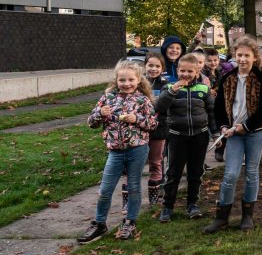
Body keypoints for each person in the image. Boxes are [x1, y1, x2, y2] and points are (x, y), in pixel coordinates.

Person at [78, 60, 158, 243]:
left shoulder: (142, 100)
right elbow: (91, 122)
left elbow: (153, 124)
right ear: (116, 80)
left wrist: (136, 119)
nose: (127, 84)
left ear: (138, 80)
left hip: (137, 149)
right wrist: (100, 114)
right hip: (115, 151)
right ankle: (99, 223)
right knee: (105, 189)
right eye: (122, 80)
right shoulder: (107, 98)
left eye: (131, 79)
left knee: (134, 187)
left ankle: (130, 222)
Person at [205, 35, 262, 234]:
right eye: (239, 55)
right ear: (234, 56)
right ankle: (222, 218)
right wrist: (223, 127)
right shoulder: (228, 77)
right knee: (231, 174)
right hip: (233, 133)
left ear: (254, 57)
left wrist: (247, 126)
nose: (242, 59)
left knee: (251, 173)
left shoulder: (261, 77)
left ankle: (247, 216)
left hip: (256, 132)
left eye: (246, 55)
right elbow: (218, 107)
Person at [155, 54, 217, 223]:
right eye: (182, 70)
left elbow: (211, 112)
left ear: (197, 72)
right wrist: (172, 91)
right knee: (173, 173)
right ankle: (167, 207)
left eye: (190, 71)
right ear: (177, 70)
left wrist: (216, 132)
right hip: (176, 136)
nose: (186, 74)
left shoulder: (203, 90)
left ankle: (192, 205)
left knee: (195, 172)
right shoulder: (169, 88)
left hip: (200, 135)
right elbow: (159, 107)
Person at [142, 52, 169, 207]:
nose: (153, 68)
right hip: (140, 128)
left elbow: (163, 106)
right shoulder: (137, 83)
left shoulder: (165, 84)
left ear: (162, 68)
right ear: (145, 66)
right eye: (150, 65)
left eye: (157, 66)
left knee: (156, 161)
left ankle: (156, 193)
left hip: (158, 128)